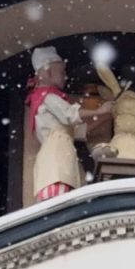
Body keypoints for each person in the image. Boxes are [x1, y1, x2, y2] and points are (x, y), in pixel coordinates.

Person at [27, 46, 113, 202]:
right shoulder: (47, 96)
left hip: (58, 157)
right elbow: (70, 114)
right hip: (57, 158)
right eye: (62, 72)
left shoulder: (43, 98)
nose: (65, 77)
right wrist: (99, 111)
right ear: (47, 72)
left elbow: (78, 131)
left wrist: (105, 116)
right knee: (59, 199)